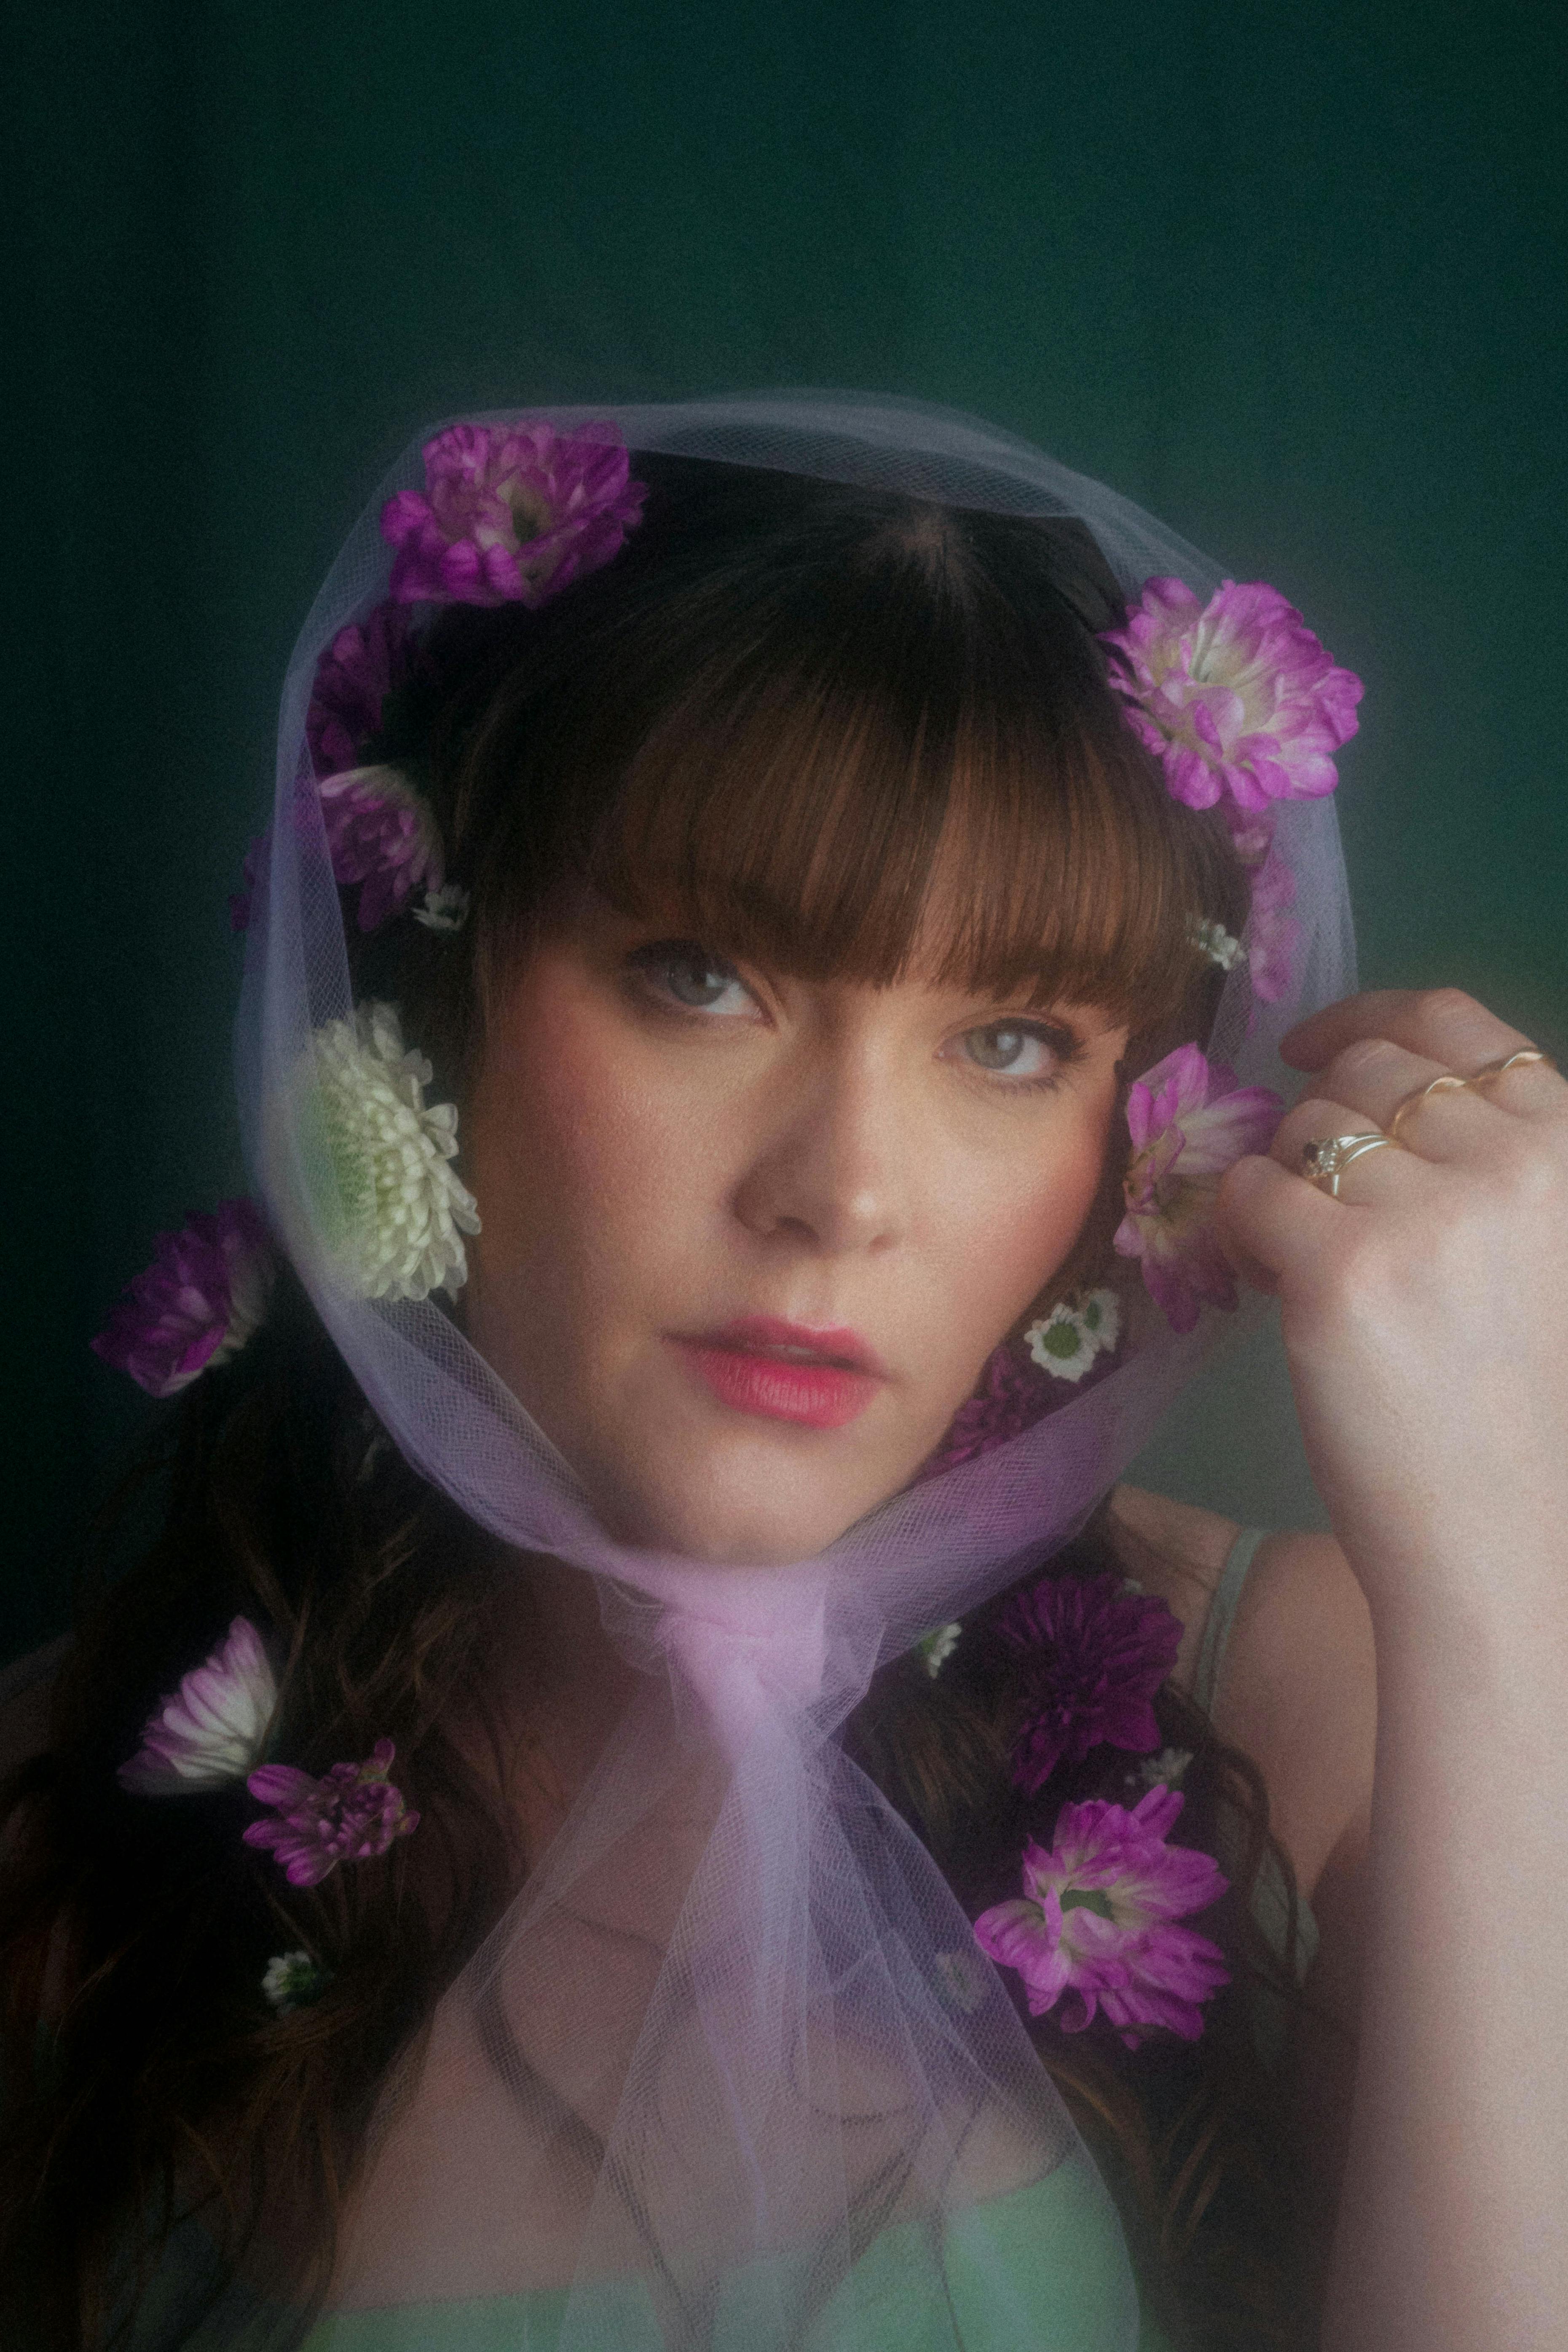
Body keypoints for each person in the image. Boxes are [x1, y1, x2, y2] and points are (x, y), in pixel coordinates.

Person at [0, 396, 1563, 2352]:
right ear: (427, 1002)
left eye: (1005, 1040)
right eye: (699, 976)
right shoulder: (76, 1798)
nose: (839, 1194)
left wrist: (1508, 1576)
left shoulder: (1321, 1694)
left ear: (1139, 1140)